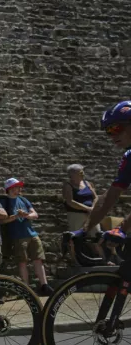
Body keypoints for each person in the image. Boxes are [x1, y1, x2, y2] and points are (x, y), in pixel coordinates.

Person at [78, 102, 131, 283]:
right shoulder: (129, 157)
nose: (112, 135)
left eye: (116, 128)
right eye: (108, 131)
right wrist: (84, 230)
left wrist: (122, 228)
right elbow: (110, 196)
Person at [0, 178, 53, 296]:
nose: (19, 189)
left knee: (38, 259)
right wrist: (16, 216)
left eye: (19, 187)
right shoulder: (4, 202)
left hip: (31, 233)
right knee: (22, 261)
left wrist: (26, 215)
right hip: (18, 236)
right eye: (16, 187)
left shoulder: (23, 199)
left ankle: (44, 285)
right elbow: (2, 221)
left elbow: (35, 214)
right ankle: (26, 288)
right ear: (10, 189)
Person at [62, 163, 104, 259]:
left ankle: (102, 258)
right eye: (80, 172)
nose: (83, 174)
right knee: (75, 238)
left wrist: (93, 208)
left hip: (91, 214)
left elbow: (95, 197)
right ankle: (76, 259)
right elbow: (70, 201)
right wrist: (87, 208)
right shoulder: (68, 185)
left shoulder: (87, 183)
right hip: (76, 214)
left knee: (97, 235)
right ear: (73, 174)